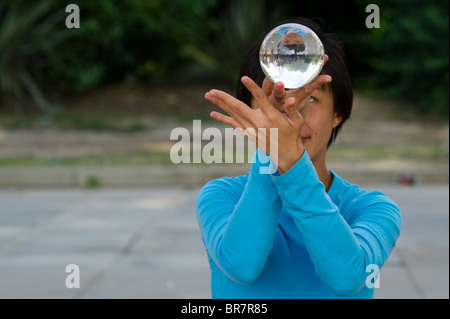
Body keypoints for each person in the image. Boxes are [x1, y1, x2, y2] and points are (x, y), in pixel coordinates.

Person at [196, 17, 401, 298]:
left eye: (311, 99)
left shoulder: (372, 210)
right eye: (274, 100)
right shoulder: (220, 196)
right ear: (248, 115)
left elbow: (346, 278)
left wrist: (289, 161)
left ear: (337, 114)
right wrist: (275, 156)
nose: (292, 113)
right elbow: (241, 266)